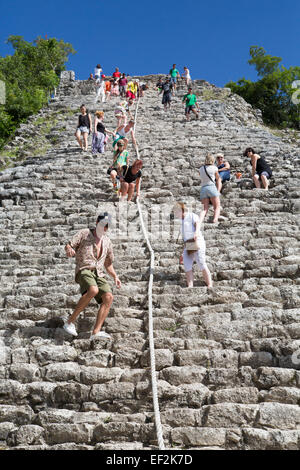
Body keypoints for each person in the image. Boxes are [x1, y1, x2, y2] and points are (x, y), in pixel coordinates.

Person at [63, 213, 121, 340]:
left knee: (108, 297)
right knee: (93, 290)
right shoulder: (84, 233)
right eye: (102, 225)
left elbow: (108, 264)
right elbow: (69, 245)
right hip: (84, 269)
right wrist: (69, 250)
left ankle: (96, 332)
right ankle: (69, 322)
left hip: (99, 273)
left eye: (106, 226)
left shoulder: (107, 241)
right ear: (96, 222)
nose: (103, 228)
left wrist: (115, 276)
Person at [173, 202, 213, 289]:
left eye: (176, 212)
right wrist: (182, 252)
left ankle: (209, 284)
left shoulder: (191, 216)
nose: (176, 214)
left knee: (201, 262)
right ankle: (190, 285)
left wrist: (196, 232)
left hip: (197, 240)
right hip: (188, 243)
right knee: (187, 264)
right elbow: (185, 238)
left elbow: (197, 224)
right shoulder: (181, 222)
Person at [198, 154, 222, 224]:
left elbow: (201, 176)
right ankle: (215, 219)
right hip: (211, 187)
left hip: (203, 188)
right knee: (217, 206)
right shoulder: (214, 168)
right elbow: (217, 178)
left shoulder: (201, 168)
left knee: (204, 208)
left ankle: (200, 220)